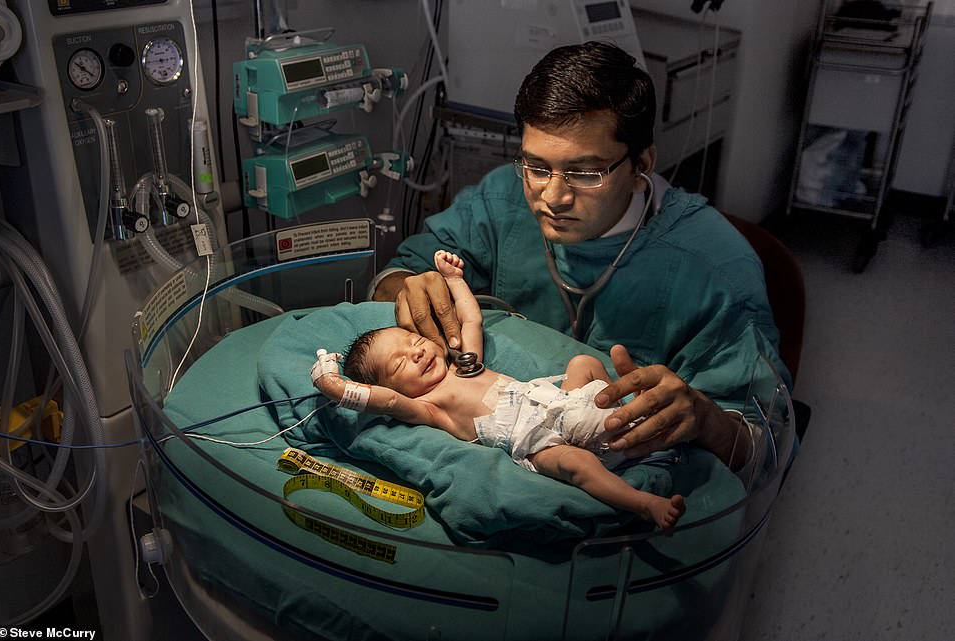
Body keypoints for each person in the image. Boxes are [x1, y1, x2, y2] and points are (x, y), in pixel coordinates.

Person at [369, 41, 791, 471]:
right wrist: (409, 287)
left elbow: (766, 446)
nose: (553, 197)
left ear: (641, 163)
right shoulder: (501, 199)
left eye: (585, 173)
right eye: (536, 167)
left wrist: (707, 421)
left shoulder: (716, 269)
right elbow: (400, 271)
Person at [313, 251, 686, 529]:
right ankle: (643, 503)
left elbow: (471, 317)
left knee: (582, 365)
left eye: (413, 340)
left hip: (563, 403)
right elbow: (388, 401)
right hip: (539, 444)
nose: (417, 351)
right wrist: (338, 388)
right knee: (577, 466)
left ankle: (631, 416)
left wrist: (453, 279)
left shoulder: (465, 361)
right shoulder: (429, 405)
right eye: (400, 364)